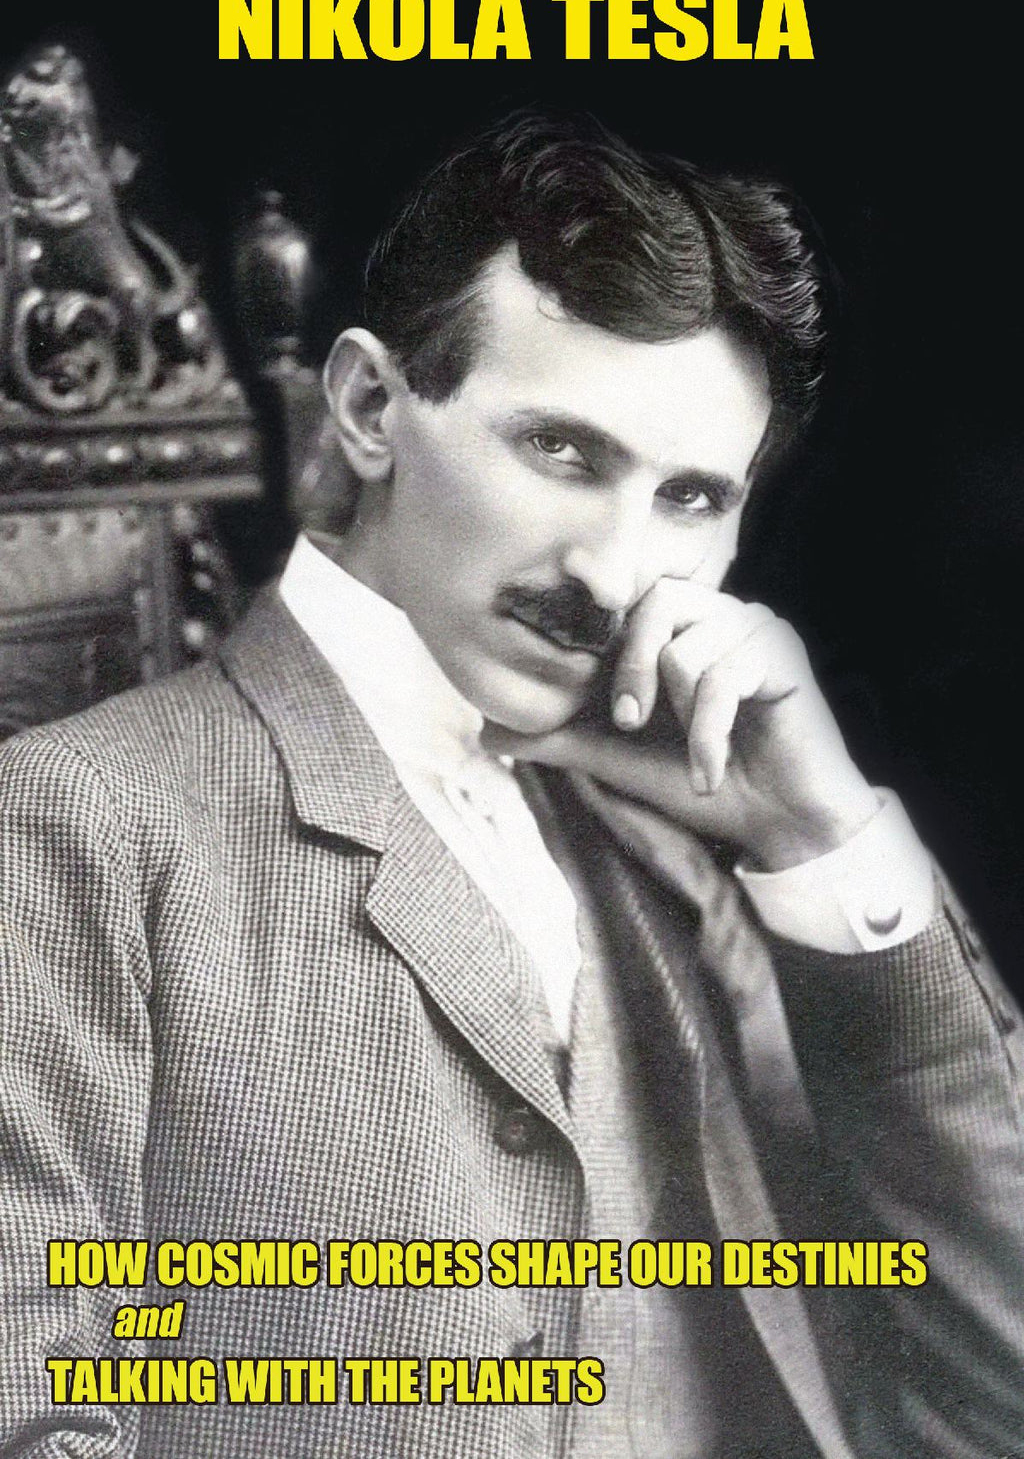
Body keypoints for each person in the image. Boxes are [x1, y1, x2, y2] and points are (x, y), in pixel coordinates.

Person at [1, 111, 1022, 1459]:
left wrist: (820, 837)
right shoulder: (79, 819)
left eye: (691, 498)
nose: (613, 569)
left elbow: (994, 1395)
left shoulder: (678, 849)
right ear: (372, 408)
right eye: (563, 451)